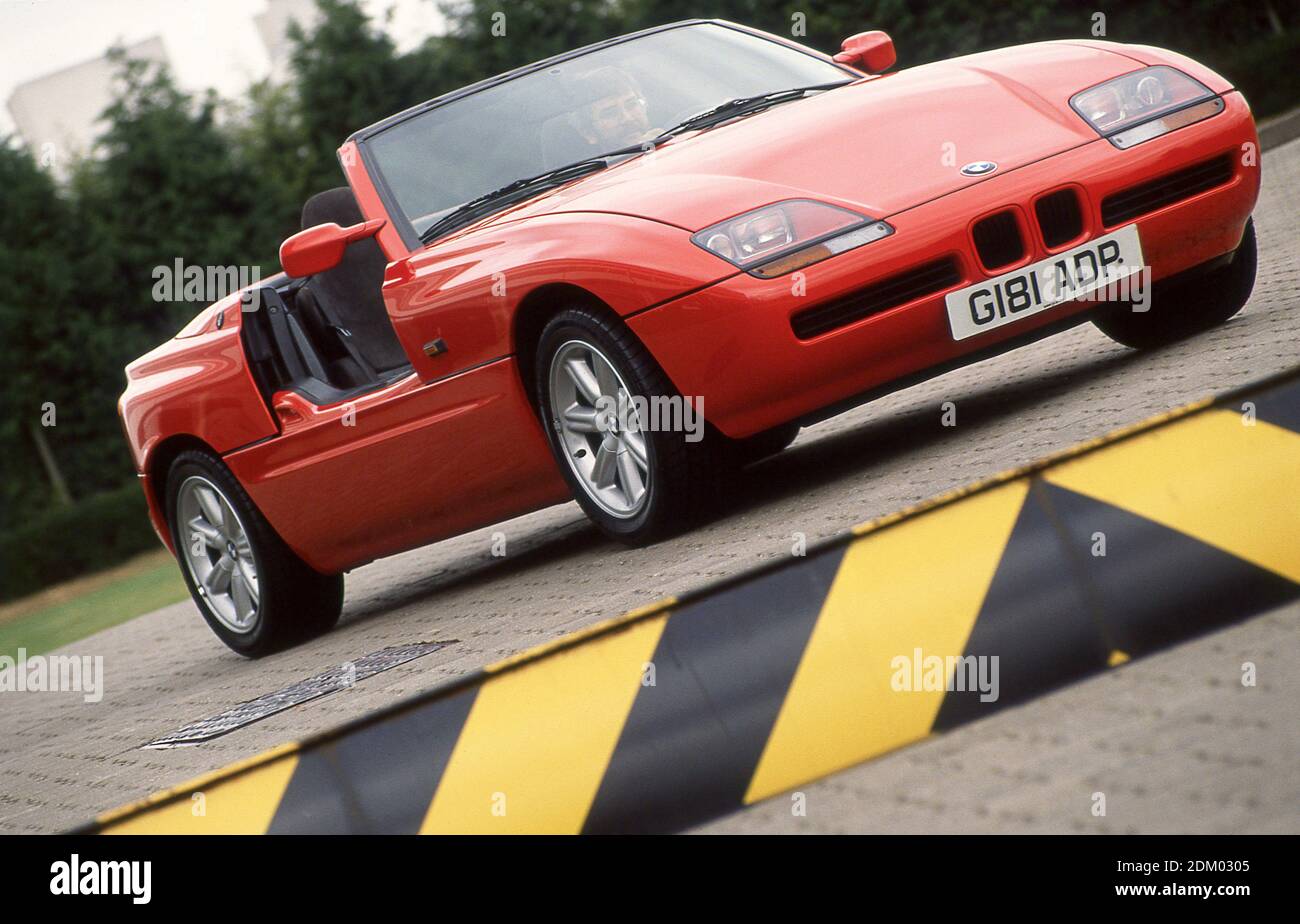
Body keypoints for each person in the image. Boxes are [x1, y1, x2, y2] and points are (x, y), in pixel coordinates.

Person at [567, 65, 663, 151]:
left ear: (644, 106)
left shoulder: (673, 143)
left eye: (632, 105)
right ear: (589, 134)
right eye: (610, 113)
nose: (627, 118)